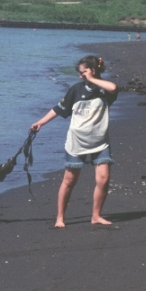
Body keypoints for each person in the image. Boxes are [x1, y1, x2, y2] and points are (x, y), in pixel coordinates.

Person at [31, 55, 118, 228]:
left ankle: (96, 216)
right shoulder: (76, 89)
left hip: (100, 142)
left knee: (103, 178)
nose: (80, 76)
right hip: (76, 142)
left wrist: (93, 79)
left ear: (93, 70)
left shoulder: (104, 91)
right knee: (70, 180)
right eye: (80, 73)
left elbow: (113, 87)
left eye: (83, 72)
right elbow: (59, 109)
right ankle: (60, 218)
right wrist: (41, 122)